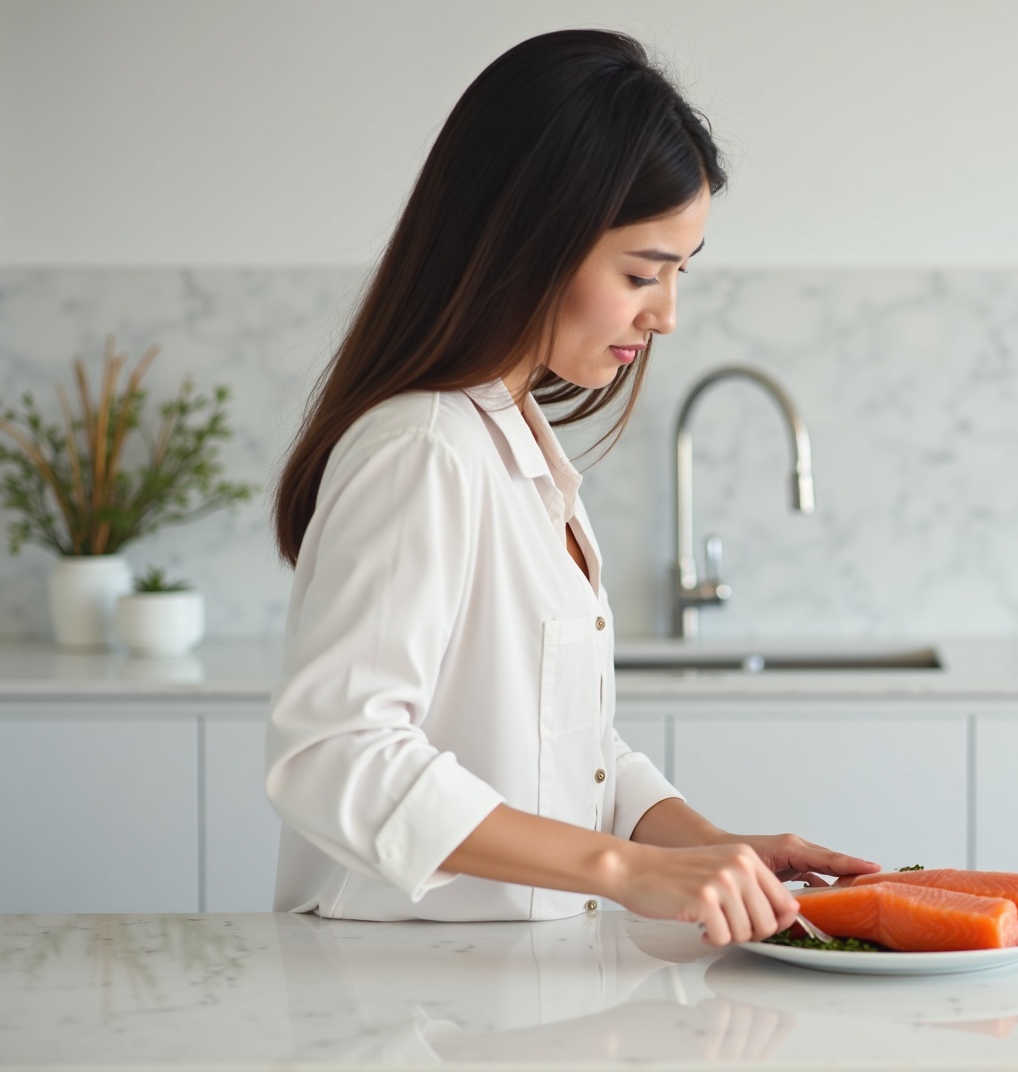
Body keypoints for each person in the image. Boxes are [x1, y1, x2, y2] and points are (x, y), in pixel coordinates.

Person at [264, 29, 876, 942]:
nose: (665, 315)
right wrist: (627, 872)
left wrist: (707, 850)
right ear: (530, 240)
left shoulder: (518, 449)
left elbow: (567, 751)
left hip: (510, 990)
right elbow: (335, 754)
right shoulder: (424, 447)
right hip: (396, 996)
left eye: (677, 274)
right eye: (642, 273)